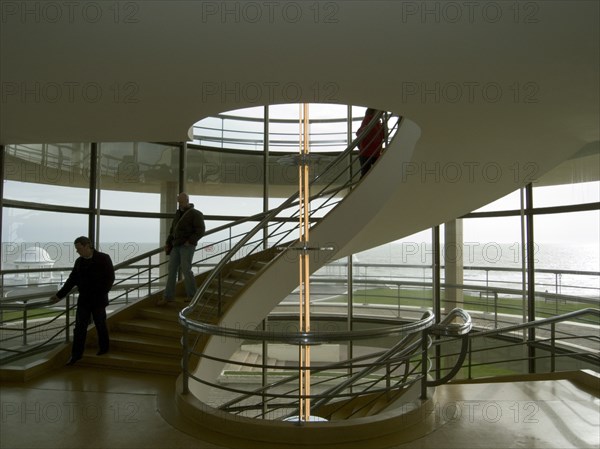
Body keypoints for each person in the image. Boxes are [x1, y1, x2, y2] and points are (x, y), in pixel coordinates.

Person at [50, 236, 115, 366]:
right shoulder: (79, 262)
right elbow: (71, 280)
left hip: (98, 300)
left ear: (87, 246)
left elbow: (110, 278)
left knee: (100, 325)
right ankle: (76, 355)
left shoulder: (104, 258)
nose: (77, 251)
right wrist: (59, 295)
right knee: (79, 328)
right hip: (84, 300)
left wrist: (101, 293)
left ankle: (103, 348)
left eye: (79, 248)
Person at [158, 192, 206, 305]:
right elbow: (173, 230)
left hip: (186, 245)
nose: (180, 202)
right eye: (179, 200)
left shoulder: (195, 213)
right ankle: (168, 297)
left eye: (182, 200)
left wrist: (190, 241)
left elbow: (201, 230)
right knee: (172, 270)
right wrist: (168, 243)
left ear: (187, 200)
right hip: (176, 245)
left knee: (186, 269)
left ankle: (193, 295)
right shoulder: (178, 213)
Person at [356, 108, 385, 178]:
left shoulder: (377, 122)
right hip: (368, 153)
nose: (381, 113)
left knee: (366, 175)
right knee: (366, 175)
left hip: (372, 153)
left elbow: (382, 136)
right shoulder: (369, 119)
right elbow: (359, 132)